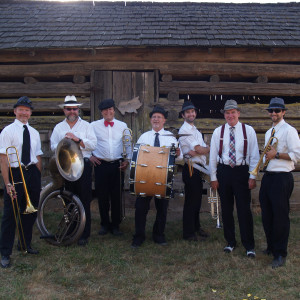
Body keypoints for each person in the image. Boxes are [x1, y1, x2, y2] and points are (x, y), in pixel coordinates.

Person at [209, 99, 259, 258]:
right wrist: (213, 176)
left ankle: (249, 245)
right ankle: (230, 242)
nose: (230, 115)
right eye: (227, 113)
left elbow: (254, 155)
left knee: (244, 210)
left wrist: (252, 176)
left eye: (233, 112)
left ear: (238, 113)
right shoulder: (218, 132)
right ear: (224, 114)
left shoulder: (248, 131)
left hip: (242, 171)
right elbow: (212, 157)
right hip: (224, 171)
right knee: (226, 209)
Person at [0, 96, 43, 268]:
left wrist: (37, 174)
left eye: (27, 110)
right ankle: (5, 252)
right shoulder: (7, 131)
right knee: (10, 214)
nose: (24, 113)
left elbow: (38, 155)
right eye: (21, 109)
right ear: (15, 111)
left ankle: (25, 243)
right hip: (15, 172)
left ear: (30, 113)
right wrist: (7, 182)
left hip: (32, 172)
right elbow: (3, 159)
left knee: (30, 211)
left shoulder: (34, 132)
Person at [131, 106, 181, 248]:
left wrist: (177, 153)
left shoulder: (171, 138)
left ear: (164, 120)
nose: (156, 119)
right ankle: (138, 236)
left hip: (163, 179)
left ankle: (159, 235)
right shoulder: (144, 137)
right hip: (144, 177)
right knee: (140, 208)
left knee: (162, 209)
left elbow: (179, 157)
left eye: (159, 117)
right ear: (151, 120)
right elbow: (136, 157)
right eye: (154, 117)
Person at [50, 95, 97, 246]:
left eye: (75, 109)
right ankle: (71, 230)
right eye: (69, 109)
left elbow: (93, 145)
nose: (72, 111)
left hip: (83, 165)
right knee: (68, 199)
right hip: (66, 166)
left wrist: (77, 140)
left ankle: (84, 233)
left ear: (78, 110)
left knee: (83, 199)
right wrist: (64, 144)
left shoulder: (87, 126)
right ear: (64, 110)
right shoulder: (59, 128)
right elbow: (53, 147)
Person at [259, 97, 300, 268]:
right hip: (268, 176)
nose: (273, 113)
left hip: (282, 177)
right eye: (271, 110)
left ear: (283, 112)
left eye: (277, 110)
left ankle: (280, 253)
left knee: (280, 217)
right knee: (267, 214)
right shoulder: (270, 132)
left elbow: (296, 156)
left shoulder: (289, 131)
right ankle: (271, 246)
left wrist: (275, 155)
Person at [90, 99, 130, 236]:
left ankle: (116, 225)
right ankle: (104, 224)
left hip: (117, 166)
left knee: (116, 196)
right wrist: (90, 156)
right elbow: (87, 142)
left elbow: (127, 144)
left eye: (110, 109)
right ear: (101, 112)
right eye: (105, 110)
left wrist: (128, 160)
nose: (108, 112)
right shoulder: (93, 126)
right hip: (101, 165)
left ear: (114, 110)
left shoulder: (122, 125)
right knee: (102, 196)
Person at [178, 101, 210, 241]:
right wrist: (207, 149)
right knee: (191, 201)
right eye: (188, 112)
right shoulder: (184, 130)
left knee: (196, 201)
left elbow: (198, 150)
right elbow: (200, 149)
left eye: (193, 111)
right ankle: (188, 233)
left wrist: (200, 151)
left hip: (198, 169)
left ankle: (196, 227)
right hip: (191, 168)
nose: (191, 114)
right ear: (183, 115)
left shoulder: (195, 130)